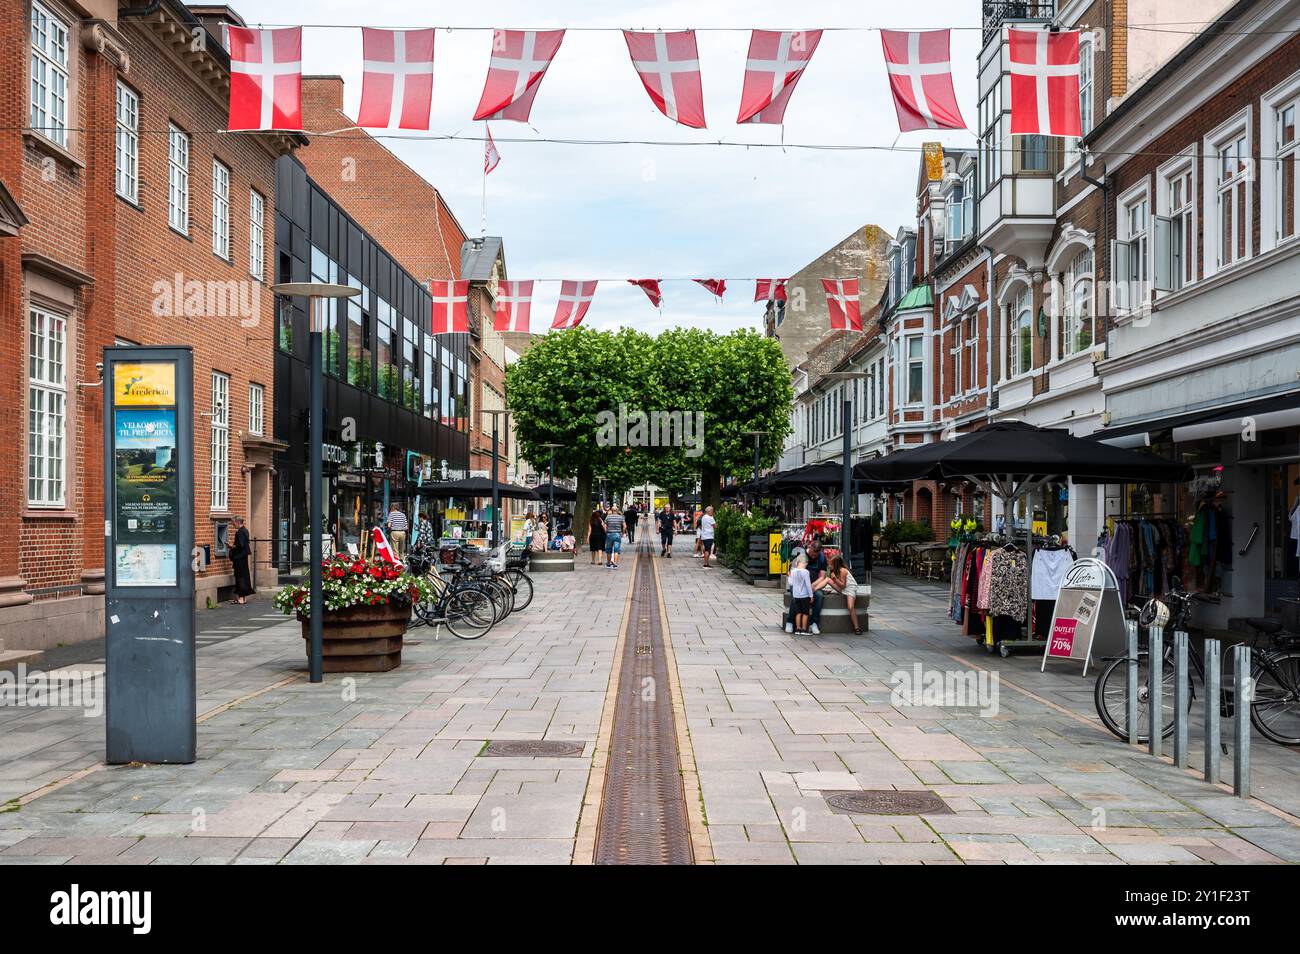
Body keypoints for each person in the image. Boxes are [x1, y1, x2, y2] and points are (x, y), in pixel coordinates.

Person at [785, 538, 827, 634]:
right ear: (810, 547)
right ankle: (790, 621)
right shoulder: (801, 554)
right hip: (798, 584)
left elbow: (823, 576)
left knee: (819, 595)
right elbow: (792, 572)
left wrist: (813, 585)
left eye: (815, 555)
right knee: (795, 596)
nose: (812, 556)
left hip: (812, 584)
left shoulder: (821, 558)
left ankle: (813, 623)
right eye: (812, 554)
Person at [823, 554, 864, 635]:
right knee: (827, 580)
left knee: (850, 607)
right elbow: (838, 585)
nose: (828, 565)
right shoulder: (833, 571)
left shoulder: (843, 571)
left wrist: (834, 578)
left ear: (835, 565)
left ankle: (857, 627)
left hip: (850, 589)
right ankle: (815, 589)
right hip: (843, 589)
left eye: (830, 564)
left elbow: (843, 585)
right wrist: (831, 588)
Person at [229, 515, 253, 605]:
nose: (232, 525)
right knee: (243, 576)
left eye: (233, 523)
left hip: (239, 557)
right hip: (243, 557)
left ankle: (241, 598)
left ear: (238, 522)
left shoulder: (240, 532)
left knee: (240, 577)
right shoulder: (245, 530)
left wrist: (231, 546)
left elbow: (240, 545)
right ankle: (243, 598)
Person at [788, 555, 813, 636]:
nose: (806, 565)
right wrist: (811, 595)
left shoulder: (793, 571)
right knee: (805, 613)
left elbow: (790, 583)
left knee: (798, 613)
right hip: (804, 596)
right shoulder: (806, 572)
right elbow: (808, 585)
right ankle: (804, 629)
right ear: (802, 563)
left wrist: (789, 575)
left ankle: (798, 629)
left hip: (796, 596)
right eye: (805, 563)